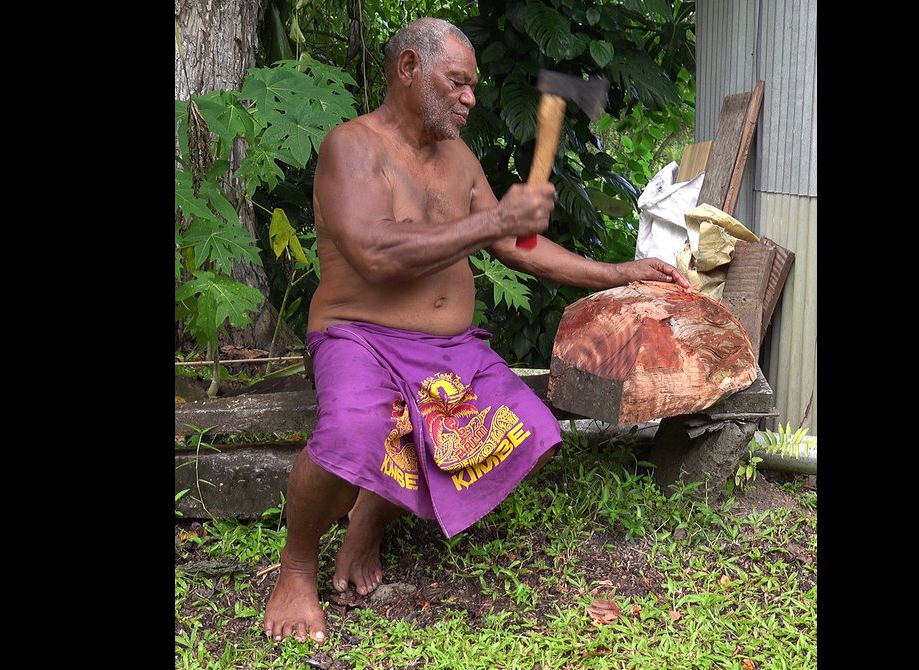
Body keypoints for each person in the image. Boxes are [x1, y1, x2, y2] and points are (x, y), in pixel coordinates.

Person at [263, 17, 688, 645]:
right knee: (354, 429)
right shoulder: (351, 147)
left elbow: (516, 246)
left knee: (523, 422)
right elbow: (376, 254)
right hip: (362, 338)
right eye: (457, 84)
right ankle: (296, 568)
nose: (470, 99)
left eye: (473, 87)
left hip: (448, 349)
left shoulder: (458, 157)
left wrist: (617, 271)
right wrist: (495, 221)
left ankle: (368, 520)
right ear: (408, 69)